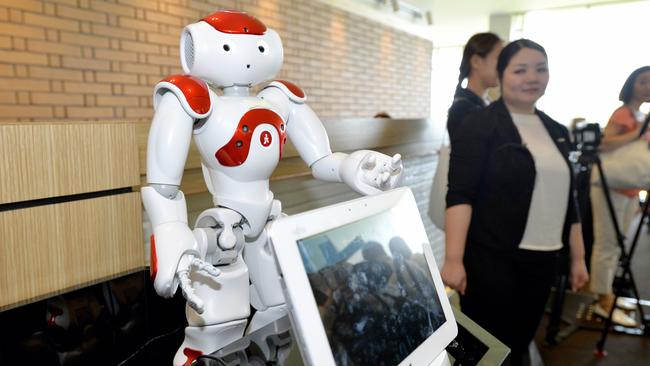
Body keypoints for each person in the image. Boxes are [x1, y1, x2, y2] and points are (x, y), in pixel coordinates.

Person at [441, 39, 589, 365]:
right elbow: (461, 194)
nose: (531, 77)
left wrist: (578, 257)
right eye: (520, 69)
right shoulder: (479, 124)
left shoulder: (557, 130)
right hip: (492, 258)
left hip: (543, 259)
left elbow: (570, 200)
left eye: (541, 69)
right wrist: (453, 258)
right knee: (481, 349)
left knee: (519, 343)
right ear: (502, 73)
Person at [590, 66, 650, 326]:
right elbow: (604, 143)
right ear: (632, 85)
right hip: (609, 186)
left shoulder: (639, 114)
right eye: (643, 82)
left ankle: (608, 293)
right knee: (607, 244)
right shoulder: (624, 113)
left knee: (618, 244)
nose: (647, 87)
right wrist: (636, 133)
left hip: (628, 189)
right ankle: (601, 300)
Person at [447, 32, 503, 140]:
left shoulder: (485, 102)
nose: (503, 66)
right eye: (499, 59)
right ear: (476, 61)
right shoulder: (462, 109)